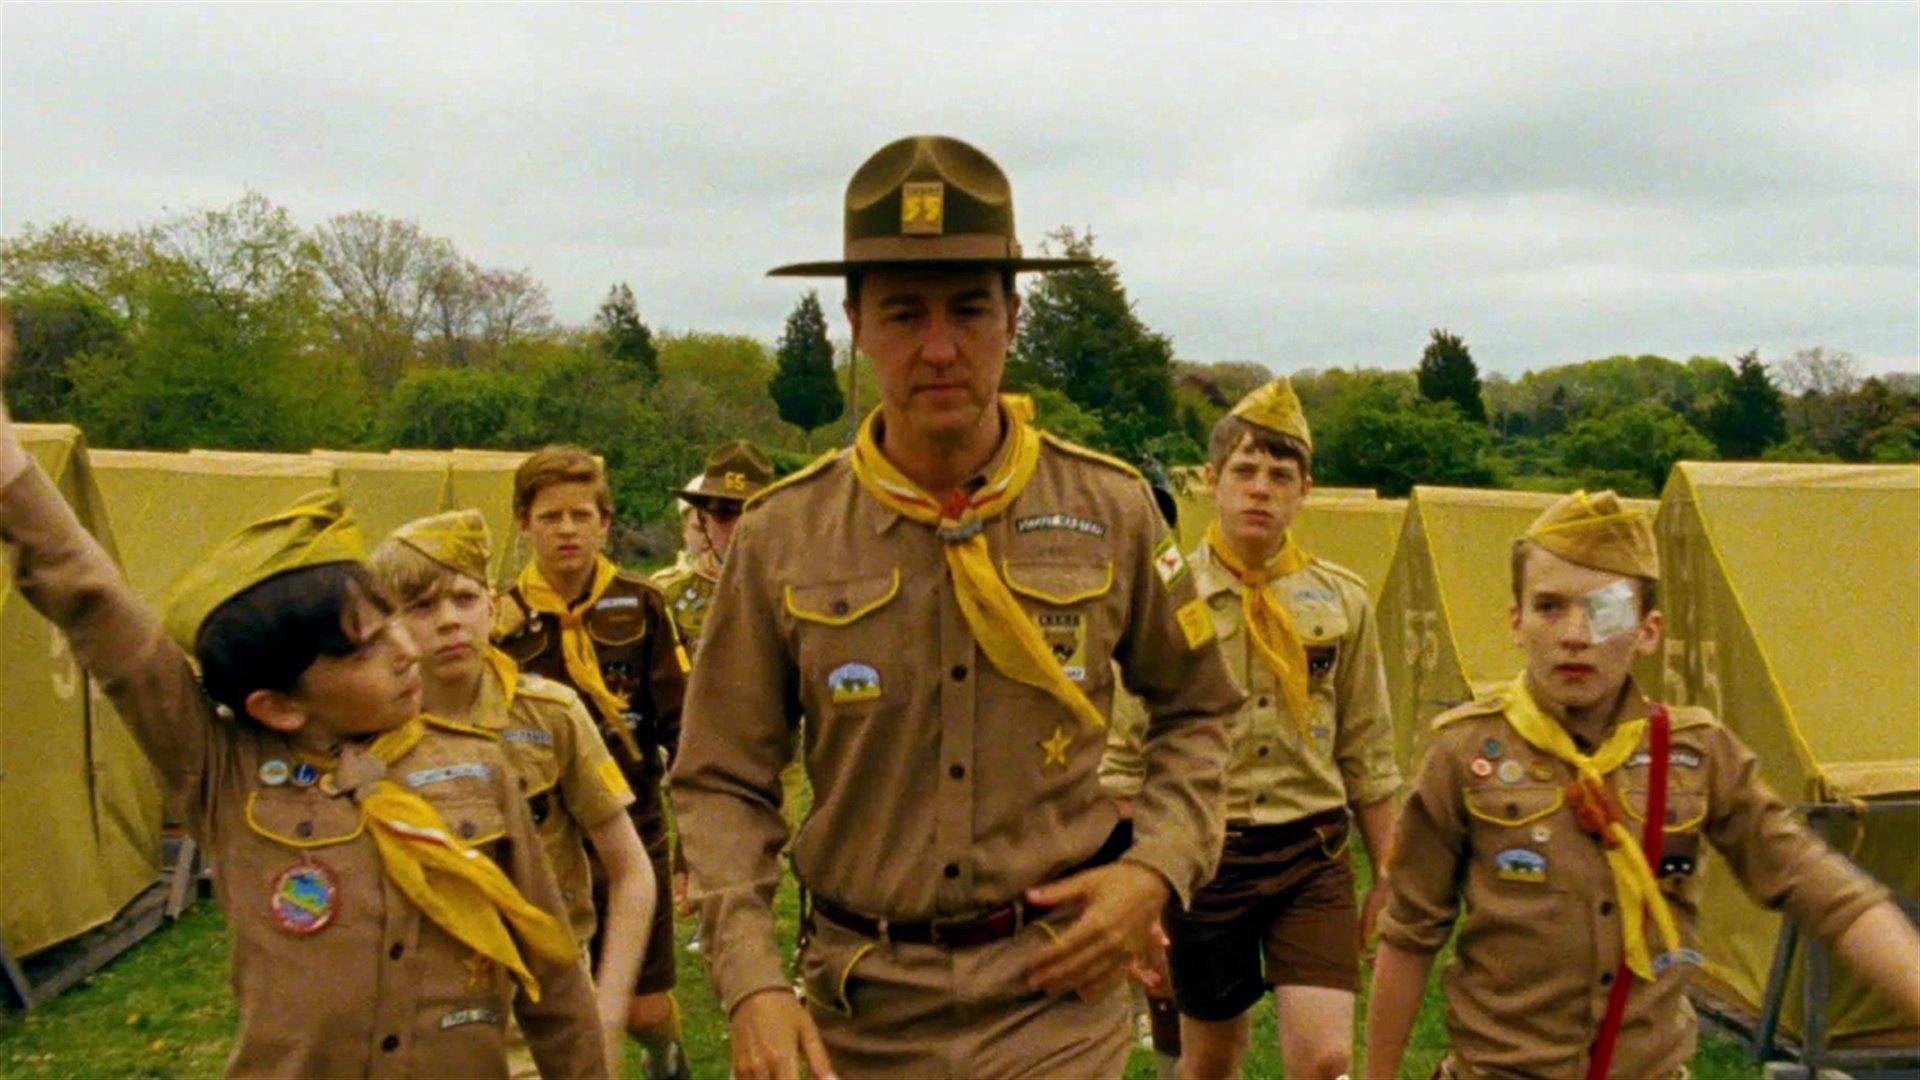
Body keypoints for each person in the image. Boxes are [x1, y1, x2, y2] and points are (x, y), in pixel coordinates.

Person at [671, 134, 1244, 1080]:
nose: (938, 347)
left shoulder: (1111, 511)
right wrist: (750, 980)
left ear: (1013, 317)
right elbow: (721, 775)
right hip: (857, 1008)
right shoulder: (784, 534)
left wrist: (1154, 870)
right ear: (855, 323)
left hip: (1055, 992)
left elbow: (1201, 709)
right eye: (904, 313)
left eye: (969, 309)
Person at [0, 318, 607, 1078]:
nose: (404, 649)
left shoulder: (480, 769)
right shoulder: (225, 775)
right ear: (279, 706)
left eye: (393, 621)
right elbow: (100, 609)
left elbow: (556, 980)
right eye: (362, 647)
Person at [1366, 490, 1920, 1079]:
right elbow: (1409, 934)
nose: (1575, 634)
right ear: (1516, 621)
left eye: (1603, 611)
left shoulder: (1696, 756)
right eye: (1549, 607)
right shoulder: (1465, 752)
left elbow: (1823, 890)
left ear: (1648, 631)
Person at [1102, 378, 1400, 1080]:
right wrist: (1132, 885)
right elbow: (1126, 760)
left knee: (1326, 1059)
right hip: (1204, 853)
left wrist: (1389, 876)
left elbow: (1369, 751)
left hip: (1311, 850)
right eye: (1244, 471)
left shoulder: (1342, 601)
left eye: (1280, 474)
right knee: (1211, 1057)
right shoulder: (1166, 600)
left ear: (1305, 491)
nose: (1261, 489)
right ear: (1212, 481)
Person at [370, 510, 657, 1077]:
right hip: (423, 1021)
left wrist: (606, 1011)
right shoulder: (370, 738)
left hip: (546, 1014)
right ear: (387, 626)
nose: (449, 621)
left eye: (464, 599)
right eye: (421, 607)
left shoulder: (549, 714)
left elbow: (631, 871)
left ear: (493, 605)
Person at [494, 446, 691, 1080]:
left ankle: (664, 1055)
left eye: (581, 515)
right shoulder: (498, 622)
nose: (567, 530)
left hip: (633, 825)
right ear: (524, 524)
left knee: (643, 1009)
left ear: (605, 523)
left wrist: (694, 845)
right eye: (550, 517)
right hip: (546, 840)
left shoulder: (642, 605)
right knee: (563, 1005)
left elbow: (682, 722)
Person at [650, 441, 775, 660]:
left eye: (752, 512)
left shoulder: (796, 590)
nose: (738, 527)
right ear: (703, 519)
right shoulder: (665, 595)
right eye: (724, 513)